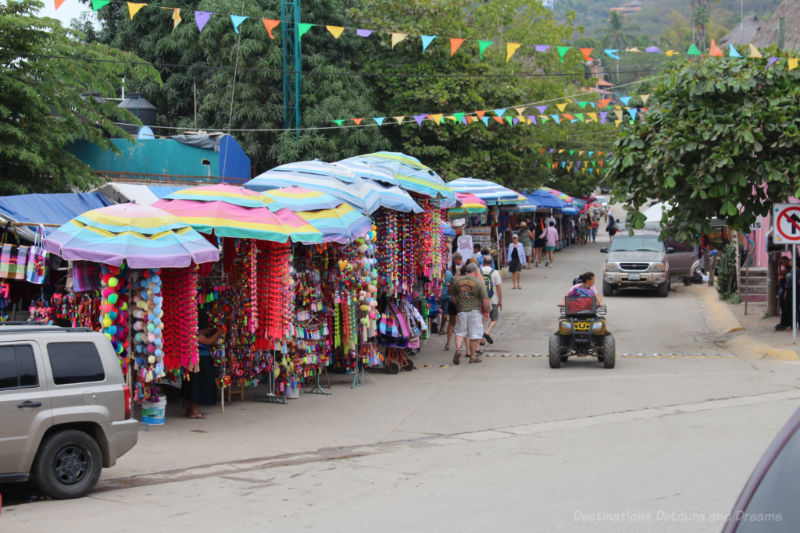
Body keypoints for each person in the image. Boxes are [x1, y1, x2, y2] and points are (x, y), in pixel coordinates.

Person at [182, 313, 223, 419]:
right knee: (197, 385)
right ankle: (194, 412)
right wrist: (219, 332)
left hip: (190, 361)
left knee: (189, 384)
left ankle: (188, 409)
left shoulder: (188, 331)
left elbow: (199, 334)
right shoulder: (195, 334)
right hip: (199, 362)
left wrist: (205, 331)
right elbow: (208, 341)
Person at [448, 262, 490, 364]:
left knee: (460, 332)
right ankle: (473, 356)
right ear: (476, 271)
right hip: (474, 311)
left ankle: (458, 350)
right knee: (474, 334)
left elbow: (452, 295)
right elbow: (485, 300)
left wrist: (457, 305)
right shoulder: (478, 282)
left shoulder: (458, 281)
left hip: (462, 311)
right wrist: (487, 311)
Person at [480, 250, 503, 345]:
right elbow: (498, 288)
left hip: (481, 299)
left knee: (482, 319)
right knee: (494, 319)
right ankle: (487, 332)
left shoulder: (478, 271)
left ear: (483, 263)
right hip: (492, 299)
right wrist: (500, 301)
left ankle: (481, 338)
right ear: (492, 263)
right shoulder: (495, 272)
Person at [442, 252, 463, 350]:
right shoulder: (464, 279)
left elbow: (450, 291)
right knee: (461, 324)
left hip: (452, 301)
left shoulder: (453, 278)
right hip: (462, 302)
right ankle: (460, 346)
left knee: (452, 323)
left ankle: (448, 343)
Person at [775, 256, 792, 331]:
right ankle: (784, 323)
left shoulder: (789, 269)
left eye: (783, 262)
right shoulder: (787, 269)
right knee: (782, 306)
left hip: (785, 290)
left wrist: (778, 264)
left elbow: (779, 273)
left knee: (785, 307)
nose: (783, 264)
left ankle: (786, 323)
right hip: (782, 289)